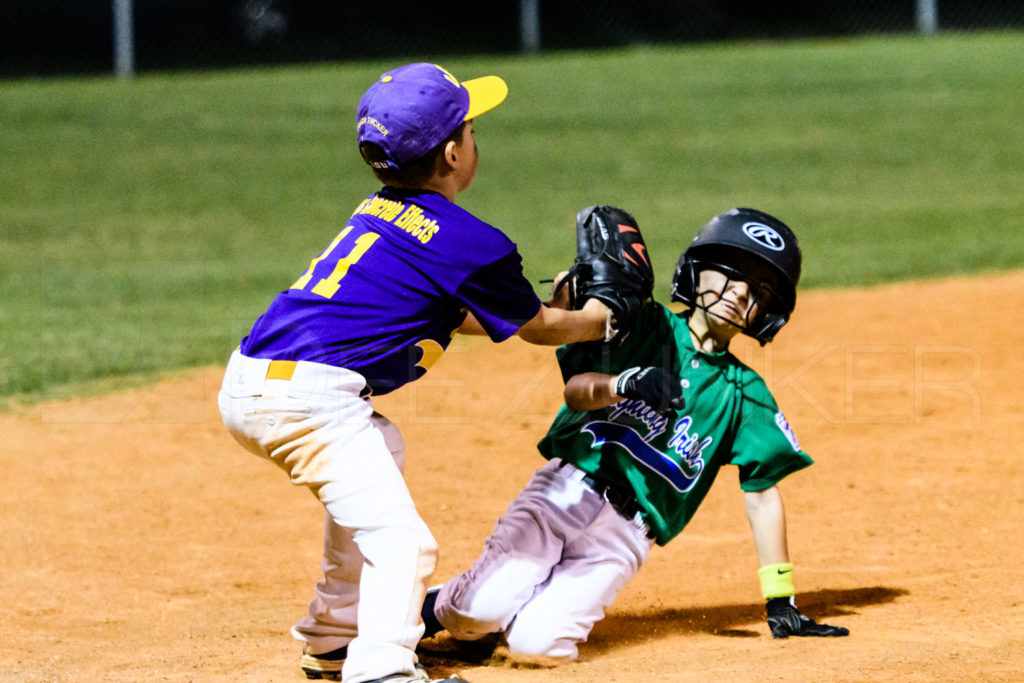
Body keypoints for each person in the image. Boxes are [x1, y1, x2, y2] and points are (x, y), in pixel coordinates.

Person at [217, 62, 615, 683]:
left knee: (382, 446)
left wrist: (556, 312)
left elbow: (464, 315)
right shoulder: (468, 241)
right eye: (472, 129)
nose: (476, 139)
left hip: (255, 382)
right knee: (403, 543)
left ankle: (332, 638)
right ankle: (382, 672)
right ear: (454, 153)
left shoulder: (381, 210)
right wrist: (599, 319)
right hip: (308, 402)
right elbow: (537, 328)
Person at [422, 207, 850, 664]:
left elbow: (762, 494)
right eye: (729, 274)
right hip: (565, 492)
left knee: (537, 647)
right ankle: (436, 608)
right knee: (473, 615)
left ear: (769, 309)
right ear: (696, 271)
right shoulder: (645, 324)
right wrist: (623, 383)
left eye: (757, 288)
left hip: (626, 537)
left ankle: (502, 609)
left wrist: (779, 596)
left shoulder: (747, 395)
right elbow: (575, 393)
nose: (738, 292)